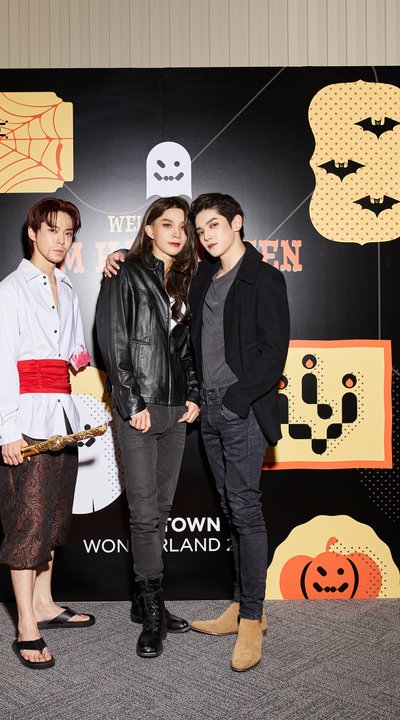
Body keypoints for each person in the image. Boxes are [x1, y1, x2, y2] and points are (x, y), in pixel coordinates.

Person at [104, 192, 290, 672]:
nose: (203, 236)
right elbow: (157, 318)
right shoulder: (202, 276)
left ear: (237, 223)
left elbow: (273, 354)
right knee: (229, 508)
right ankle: (238, 605)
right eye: (198, 228)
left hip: (239, 409)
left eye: (211, 226)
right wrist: (120, 256)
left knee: (245, 510)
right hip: (204, 410)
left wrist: (232, 400)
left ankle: (253, 618)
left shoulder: (264, 277)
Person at [0, 197, 95, 670]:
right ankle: (26, 625)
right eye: (52, 230)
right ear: (33, 232)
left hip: (62, 418)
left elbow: (73, 351)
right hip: (25, 421)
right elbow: (1, 365)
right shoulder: (9, 290)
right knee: (27, 524)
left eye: (68, 233)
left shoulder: (67, 287)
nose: (61, 240)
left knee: (52, 519)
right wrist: (6, 430)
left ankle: (45, 604)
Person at [96, 196, 201, 659]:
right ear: (150, 228)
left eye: (183, 226)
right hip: (139, 409)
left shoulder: (185, 280)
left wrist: (193, 394)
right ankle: (154, 612)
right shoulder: (125, 271)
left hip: (175, 411)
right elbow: (113, 340)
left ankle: (146, 602)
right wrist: (132, 402)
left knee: (160, 507)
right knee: (142, 513)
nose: (176, 232)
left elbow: (186, 348)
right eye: (167, 224)